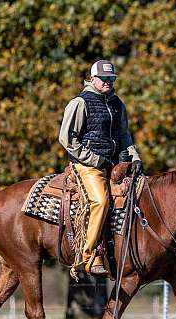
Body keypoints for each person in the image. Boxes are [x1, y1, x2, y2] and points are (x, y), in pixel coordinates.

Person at [58, 60, 143, 276]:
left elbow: (124, 135)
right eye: (104, 78)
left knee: (142, 194)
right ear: (92, 78)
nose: (108, 82)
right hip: (87, 165)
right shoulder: (79, 102)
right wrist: (96, 160)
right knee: (100, 201)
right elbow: (67, 140)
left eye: (111, 79)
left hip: (115, 164)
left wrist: (134, 157)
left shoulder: (117, 104)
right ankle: (88, 256)